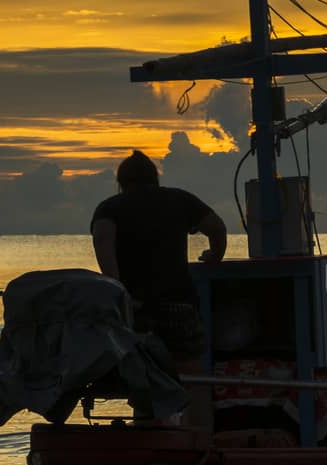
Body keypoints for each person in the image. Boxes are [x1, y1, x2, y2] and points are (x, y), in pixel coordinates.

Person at [91, 150, 226, 361]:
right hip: (179, 305)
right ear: (155, 178)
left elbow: (102, 241)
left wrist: (119, 291)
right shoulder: (180, 199)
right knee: (189, 372)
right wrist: (214, 256)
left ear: (121, 182)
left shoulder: (109, 208)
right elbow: (217, 228)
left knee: (140, 375)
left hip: (134, 309)